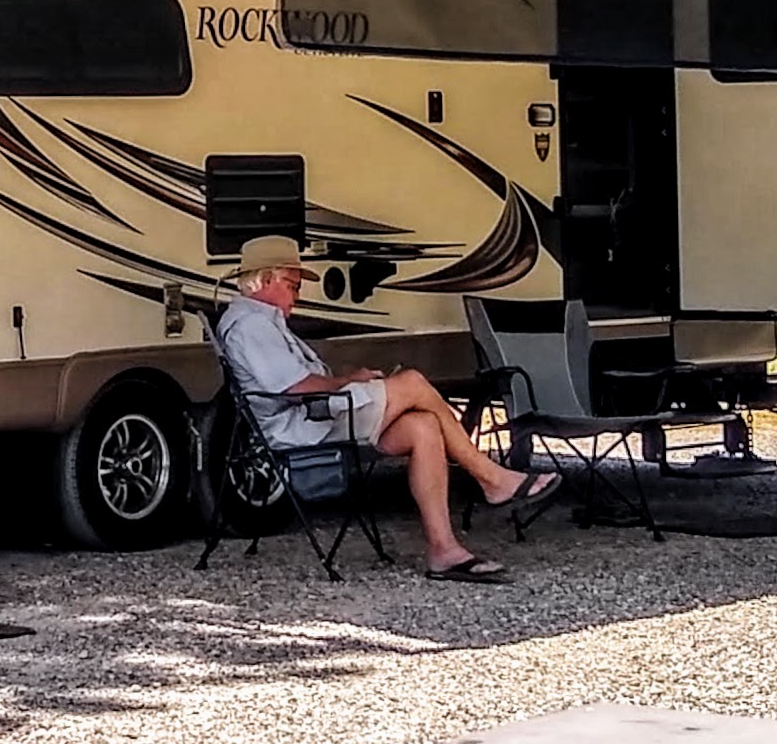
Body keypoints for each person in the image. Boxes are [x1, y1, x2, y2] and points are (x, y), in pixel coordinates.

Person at [211, 234, 541, 580]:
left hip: (318, 416)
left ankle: (444, 550)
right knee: (413, 382)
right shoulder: (250, 325)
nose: (298, 295)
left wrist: (352, 381)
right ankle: (491, 478)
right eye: (293, 286)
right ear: (266, 280)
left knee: (423, 426)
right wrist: (349, 380)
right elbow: (295, 388)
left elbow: (297, 382)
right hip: (302, 426)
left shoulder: (262, 321)